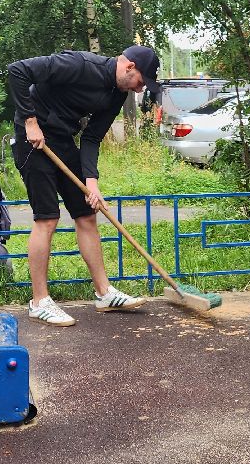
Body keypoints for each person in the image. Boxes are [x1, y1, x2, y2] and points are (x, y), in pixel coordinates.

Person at [8, 45, 159, 325]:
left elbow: (91, 137)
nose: (140, 90)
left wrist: (92, 182)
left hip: (63, 141)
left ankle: (104, 293)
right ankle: (39, 301)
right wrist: (30, 122)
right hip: (33, 140)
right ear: (129, 67)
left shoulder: (117, 94)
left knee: (87, 214)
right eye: (141, 81)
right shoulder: (79, 65)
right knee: (47, 218)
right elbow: (18, 70)